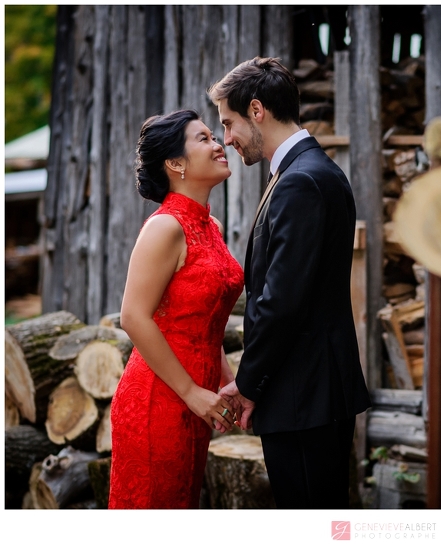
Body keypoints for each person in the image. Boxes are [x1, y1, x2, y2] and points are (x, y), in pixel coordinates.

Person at [208, 57, 371, 509]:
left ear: (257, 110)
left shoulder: (302, 181)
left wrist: (248, 384)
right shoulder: (305, 172)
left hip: (304, 397)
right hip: (310, 393)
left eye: (228, 123)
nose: (227, 139)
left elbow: (280, 301)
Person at [109, 109, 244, 509]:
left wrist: (226, 381)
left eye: (214, 136)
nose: (219, 144)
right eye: (203, 139)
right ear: (175, 163)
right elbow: (132, 316)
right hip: (160, 399)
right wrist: (190, 392)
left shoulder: (211, 226)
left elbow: (204, 320)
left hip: (197, 400)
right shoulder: (164, 227)